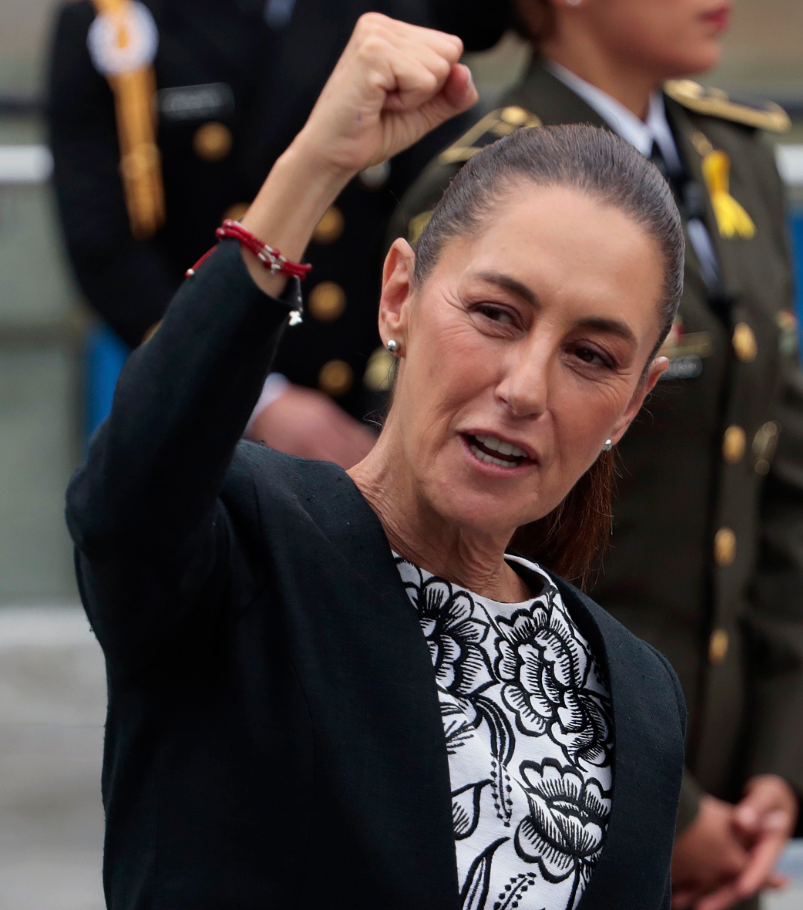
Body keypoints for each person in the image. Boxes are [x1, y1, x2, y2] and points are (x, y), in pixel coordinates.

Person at [66, 14, 689, 909]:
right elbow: (128, 491)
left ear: (633, 402)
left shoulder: (635, 694)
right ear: (397, 297)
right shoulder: (241, 549)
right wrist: (316, 163)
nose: (525, 387)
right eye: (495, 315)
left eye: (591, 356)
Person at [392, 3, 803, 908]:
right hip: (559, 785)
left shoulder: (736, 156)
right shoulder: (491, 171)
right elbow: (456, 538)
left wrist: (776, 773)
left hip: (722, 788)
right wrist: (668, 811)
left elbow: (790, 492)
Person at [46, 0, 498, 466]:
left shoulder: (398, 10)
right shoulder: (114, 21)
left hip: (365, 420)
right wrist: (257, 399)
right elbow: (105, 251)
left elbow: (443, 218)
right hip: (202, 416)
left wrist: (390, 415)